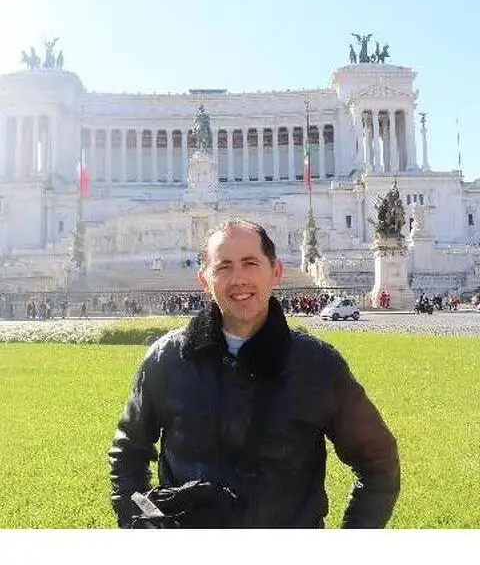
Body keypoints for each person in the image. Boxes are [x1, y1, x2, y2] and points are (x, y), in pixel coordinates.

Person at [108, 219, 400, 529]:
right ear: (204, 280)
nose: (239, 279)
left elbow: (378, 462)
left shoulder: (318, 366)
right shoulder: (166, 359)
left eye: (250, 263)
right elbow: (127, 454)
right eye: (224, 267)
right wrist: (140, 527)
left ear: (276, 272)